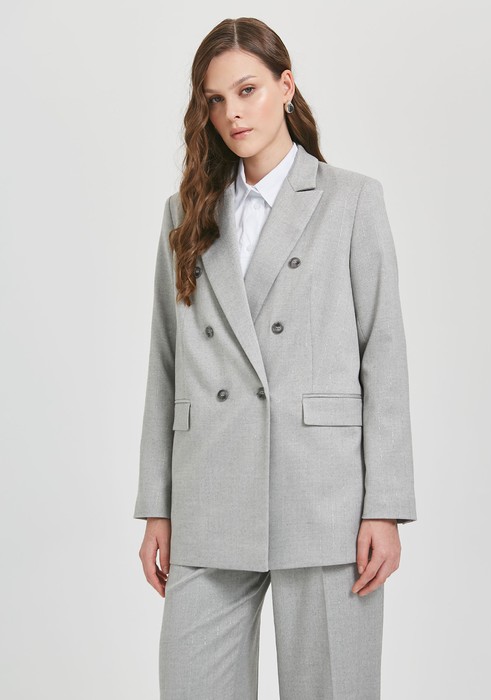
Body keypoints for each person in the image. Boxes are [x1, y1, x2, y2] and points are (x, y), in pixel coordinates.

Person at [134, 16, 417, 700]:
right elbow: (165, 363)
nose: (232, 112)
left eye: (248, 90)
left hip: (323, 493)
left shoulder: (351, 200)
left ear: (285, 87)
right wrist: (157, 507)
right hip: (209, 490)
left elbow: (382, 355)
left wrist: (384, 506)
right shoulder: (185, 213)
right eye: (215, 99)